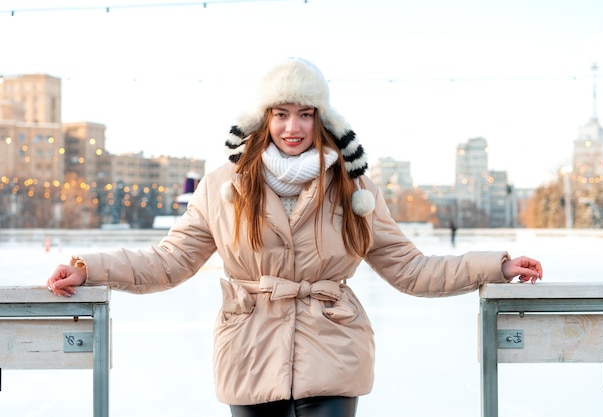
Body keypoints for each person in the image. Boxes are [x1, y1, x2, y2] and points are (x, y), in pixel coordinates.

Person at [47, 57, 543, 417]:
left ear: (321, 120)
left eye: (305, 114)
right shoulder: (224, 185)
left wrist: (493, 266)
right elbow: (170, 260)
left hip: (333, 349)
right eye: (281, 114)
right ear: (264, 119)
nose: (293, 127)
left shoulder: (355, 188)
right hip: (249, 351)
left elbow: (412, 269)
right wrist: (90, 267)